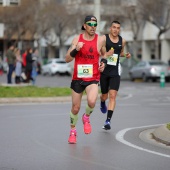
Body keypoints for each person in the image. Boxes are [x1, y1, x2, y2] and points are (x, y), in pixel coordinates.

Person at [65, 15, 106, 144]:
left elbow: (104, 54)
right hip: (78, 78)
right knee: (75, 108)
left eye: (95, 25)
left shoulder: (100, 40)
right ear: (84, 26)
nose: (93, 27)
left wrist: (103, 63)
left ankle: (86, 117)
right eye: (90, 24)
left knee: (92, 101)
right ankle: (73, 131)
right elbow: (67, 58)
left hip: (93, 78)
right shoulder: (77, 39)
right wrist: (76, 50)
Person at [100, 21, 131, 130]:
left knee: (112, 96)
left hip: (115, 71)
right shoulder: (104, 39)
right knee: (104, 95)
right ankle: (102, 102)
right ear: (110, 28)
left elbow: (120, 52)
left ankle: (108, 121)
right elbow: (99, 51)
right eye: (114, 27)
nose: (115, 30)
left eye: (118, 28)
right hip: (104, 71)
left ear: (119, 29)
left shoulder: (123, 41)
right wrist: (106, 55)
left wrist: (125, 55)